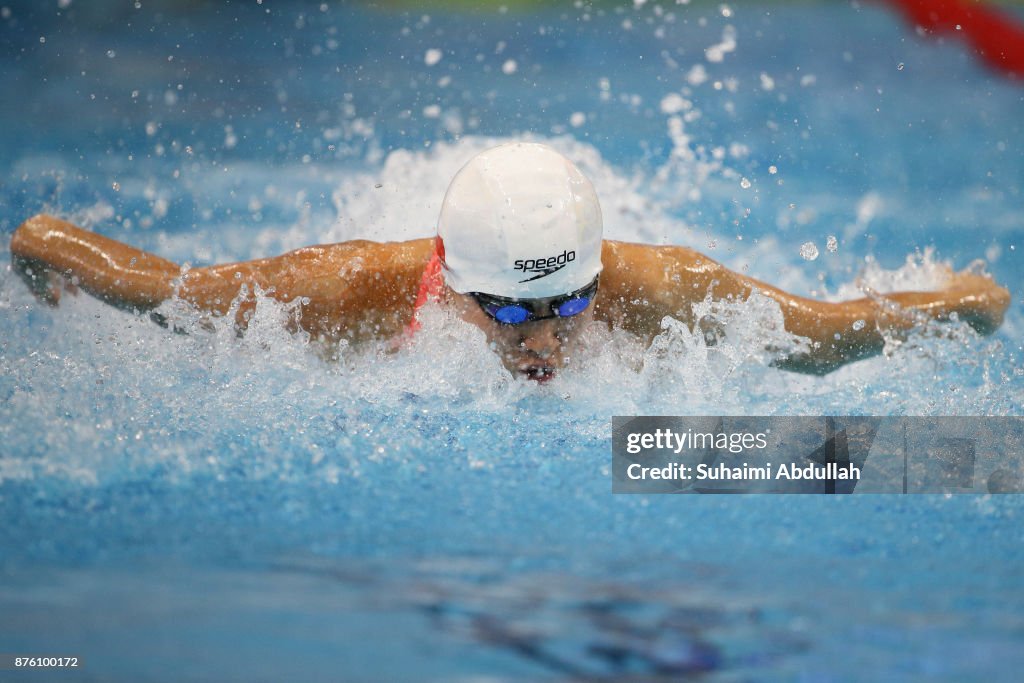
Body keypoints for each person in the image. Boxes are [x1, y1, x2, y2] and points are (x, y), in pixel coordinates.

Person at [9, 142, 1011, 381]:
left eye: (566, 304)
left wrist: (963, 301)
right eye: (508, 312)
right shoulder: (355, 288)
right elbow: (172, 294)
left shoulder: (656, 288)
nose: (541, 340)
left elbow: (822, 340)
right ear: (448, 279)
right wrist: (45, 248)